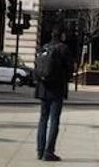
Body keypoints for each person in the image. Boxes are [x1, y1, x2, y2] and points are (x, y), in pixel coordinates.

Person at [35, 27, 72, 162]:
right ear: (61, 35)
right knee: (54, 120)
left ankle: (40, 150)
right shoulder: (63, 49)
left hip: (43, 88)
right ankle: (49, 152)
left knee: (43, 119)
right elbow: (69, 69)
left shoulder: (44, 48)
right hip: (57, 89)